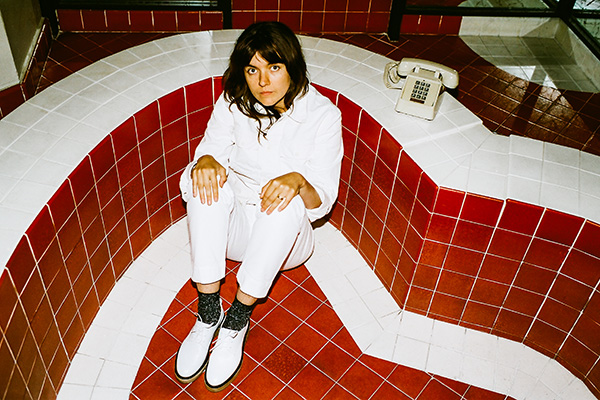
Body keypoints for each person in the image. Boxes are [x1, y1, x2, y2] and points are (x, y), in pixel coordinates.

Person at [175, 21, 343, 392]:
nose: (263, 81)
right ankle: (208, 311)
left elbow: (323, 202)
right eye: (253, 69)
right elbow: (211, 148)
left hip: (286, 241)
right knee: (206, 180)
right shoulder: (232, 102)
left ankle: (236, 320)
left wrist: (298, 180)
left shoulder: (323, 116)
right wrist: (204, 160)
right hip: (236, 230)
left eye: (274, 67)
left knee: (286, 200)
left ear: (293, 67)